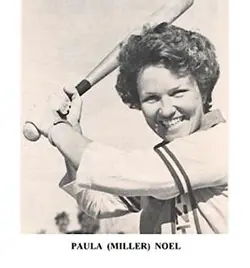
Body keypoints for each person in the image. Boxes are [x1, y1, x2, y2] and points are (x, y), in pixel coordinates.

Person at [35, 22, 227, 234]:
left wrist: (55, 128)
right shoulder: (156, 167)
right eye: (151, 98)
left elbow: (121, 168)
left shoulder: (220, 144)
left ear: (204, 90)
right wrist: (72, 129)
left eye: (178, 93)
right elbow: (98, 203)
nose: (166, 110)